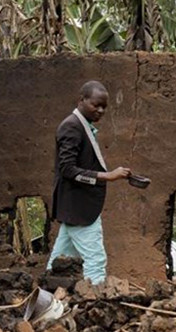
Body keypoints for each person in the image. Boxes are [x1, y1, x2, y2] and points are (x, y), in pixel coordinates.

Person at [46, 81, 130, 285]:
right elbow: (67, 169)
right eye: (96, 105)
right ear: (81, 100)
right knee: (95, 259)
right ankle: (96, 302)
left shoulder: (81, 126)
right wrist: (107, 176)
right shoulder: (71, 127)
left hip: (76, 208)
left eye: (104, 107)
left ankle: (45, 298)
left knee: (59, 261)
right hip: (79, 207)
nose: (100, 110)